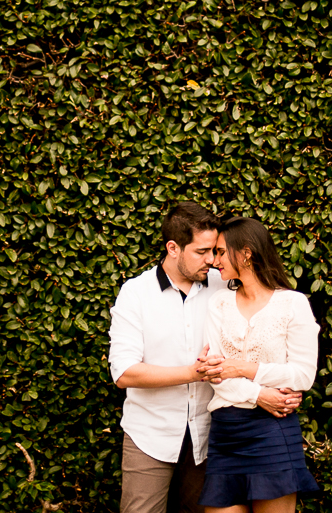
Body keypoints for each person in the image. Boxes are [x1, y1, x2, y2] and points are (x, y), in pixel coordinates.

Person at [107, 202, 227, 513]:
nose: (212, 260)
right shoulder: (136, 293)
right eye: (202, 251)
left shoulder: (223, 285)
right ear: (173, 248)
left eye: (214, 250)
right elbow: (124, 373)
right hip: (150, 436)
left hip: (209, 436)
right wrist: (192, 373)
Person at [199, 215, 320, 513]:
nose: (215, 261)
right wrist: (259, 394)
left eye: (221, 252)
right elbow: (216, 372)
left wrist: (243, 368)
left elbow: (302, 375)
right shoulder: (218, 303)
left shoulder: (292, 304)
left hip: (273, 431)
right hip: (226, 433)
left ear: (246, 253)